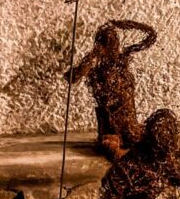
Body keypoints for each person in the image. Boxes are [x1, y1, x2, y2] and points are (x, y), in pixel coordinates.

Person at [67, 20, 157, 160]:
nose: (113, 45)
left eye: (114, 41)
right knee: (112, 147)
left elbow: (151, 36)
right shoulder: (96, 70)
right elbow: (72, 77)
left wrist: (123, 24)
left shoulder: (122, 60)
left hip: (129, 124)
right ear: (100, 44)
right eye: (108, 42)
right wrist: (93, 55)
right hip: (111, 127)